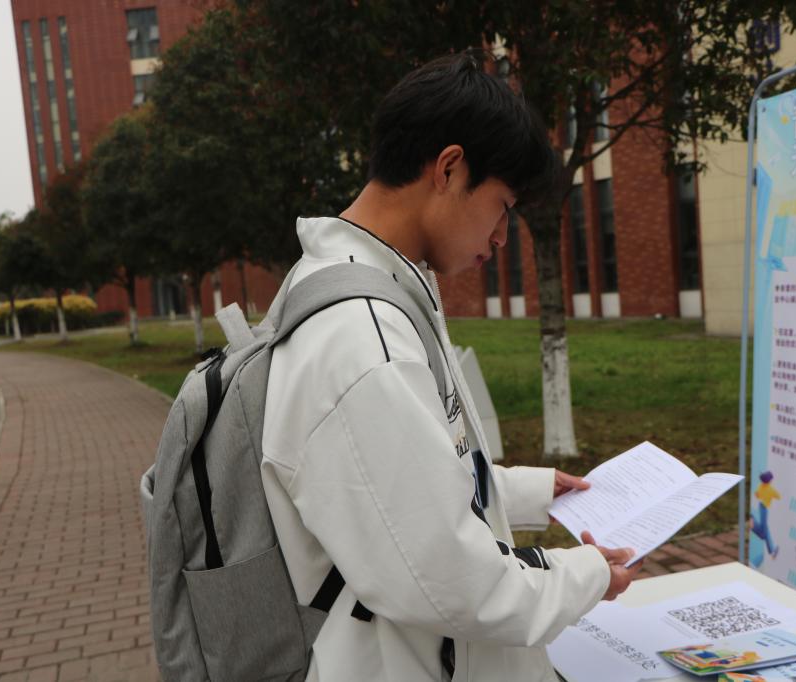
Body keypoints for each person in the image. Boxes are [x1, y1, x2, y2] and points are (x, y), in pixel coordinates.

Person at [259, 52, 643, 681]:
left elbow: (402, 480)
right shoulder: (362, 339)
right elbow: (457, 585)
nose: (501, 236)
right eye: (502, 205)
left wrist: (528, 491)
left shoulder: (376, 285)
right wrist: (587, 575)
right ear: (449, 168)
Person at [750, 470, 780, 560]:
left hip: (760, 506)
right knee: (764, 529)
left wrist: (761, 496)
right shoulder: (770, 489)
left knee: (764, 528)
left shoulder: (761, 486)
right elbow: (778, 496)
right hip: (764, 508)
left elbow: (756, 494)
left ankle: (772, 550)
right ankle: (772, 550)